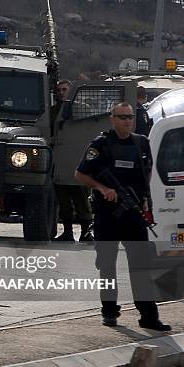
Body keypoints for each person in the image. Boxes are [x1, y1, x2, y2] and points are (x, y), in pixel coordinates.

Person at [74, 102, 170, 331]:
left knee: (141, 266)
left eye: (130, 117)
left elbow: (146, 173)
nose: (128, 120)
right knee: (107, 265)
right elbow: (79, 174)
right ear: (112, 118)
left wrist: (144, 199)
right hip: (108, 214)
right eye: (123, 117)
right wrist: (102, 188)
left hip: (133, 213)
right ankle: (109, 311)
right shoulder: (101, 144)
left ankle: (148, 316)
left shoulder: (141, 143)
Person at [52, 79, 93, 242]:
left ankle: (85, 232)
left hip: (78, 159)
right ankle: (67, 231)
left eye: (64, 89)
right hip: (61, 160)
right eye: (59, 90)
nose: (61, 92)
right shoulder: (54, 112)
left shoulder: (83, 109)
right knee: (64, 200)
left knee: (82, 199)